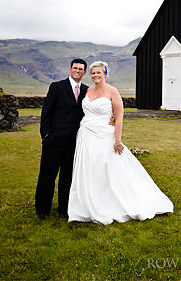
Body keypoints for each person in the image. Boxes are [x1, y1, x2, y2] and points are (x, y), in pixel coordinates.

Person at [67, 61, 174, 224]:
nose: (95, 75)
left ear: (105, 74)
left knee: (104, 168)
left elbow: (119, 118)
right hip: (86, 135)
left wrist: (117, 141)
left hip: (104, 136)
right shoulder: (88, 90)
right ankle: (87, 202)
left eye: (99, 73)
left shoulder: (112, 91)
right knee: (88, 168)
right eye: (93, 73)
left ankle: (109, 203)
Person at [35, 58, 89, 219]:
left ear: (84, 72)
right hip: (54, 140)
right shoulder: (57, 87)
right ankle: (42, 209)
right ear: (70, 69)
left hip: (74, 142)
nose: (77, 71)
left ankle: (64, 209)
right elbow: (46, 112)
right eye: (75, 68)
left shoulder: (87, 91)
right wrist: (46, 135)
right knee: (47, 175)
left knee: (68, 177)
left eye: (81, 69)